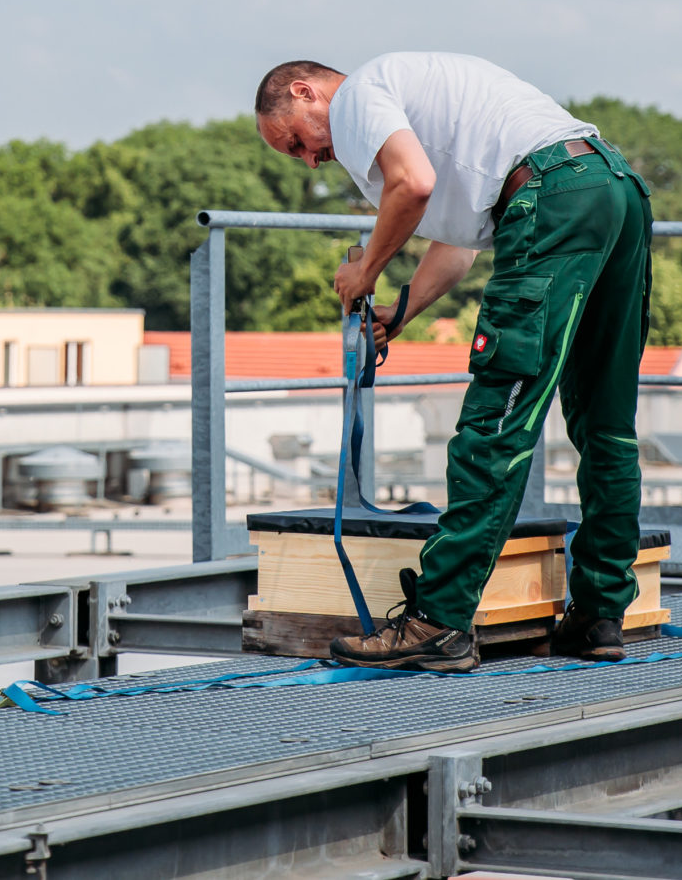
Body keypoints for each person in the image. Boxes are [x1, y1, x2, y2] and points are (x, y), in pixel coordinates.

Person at [253, 53, 652, 673]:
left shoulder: (358, 97)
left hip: (551, 197)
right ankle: (599, 616)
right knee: (604, 419)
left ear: (306, 92)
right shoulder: (417, 104)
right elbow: (458, 247)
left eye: (297, 142)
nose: (309, 159)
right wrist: (402, 310)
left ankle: (439, 621)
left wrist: (366, 271)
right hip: (613, 190)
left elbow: (411, 185)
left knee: (495, 424)